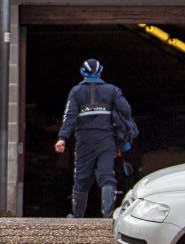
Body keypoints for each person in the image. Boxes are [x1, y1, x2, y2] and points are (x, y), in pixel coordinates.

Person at [55, 58, 137, 218]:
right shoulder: (112, 90)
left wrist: (62, 138)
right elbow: (126, 110)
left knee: (81, 177)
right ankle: (107, 216)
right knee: (107, 176)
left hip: (84, 142)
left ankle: (78, 216)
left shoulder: (76, 92)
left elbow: (69, 117)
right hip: (107, 141)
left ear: (82, 72)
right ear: (100, 72)